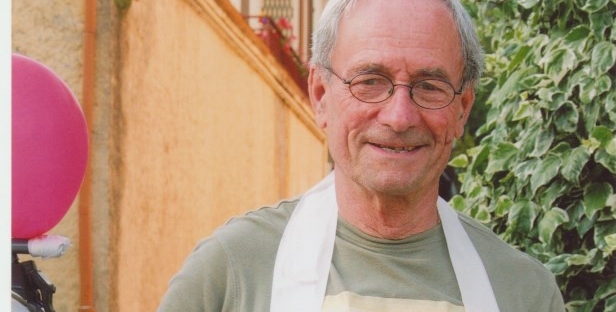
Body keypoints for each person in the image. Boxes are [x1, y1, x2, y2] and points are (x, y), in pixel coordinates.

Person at [157, 0, 565, 311]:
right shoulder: (231, 273)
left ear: (462, 109)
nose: (400, 116)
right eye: (370, 81)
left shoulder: (523, 292)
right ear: (320, 95)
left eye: (429, 86)